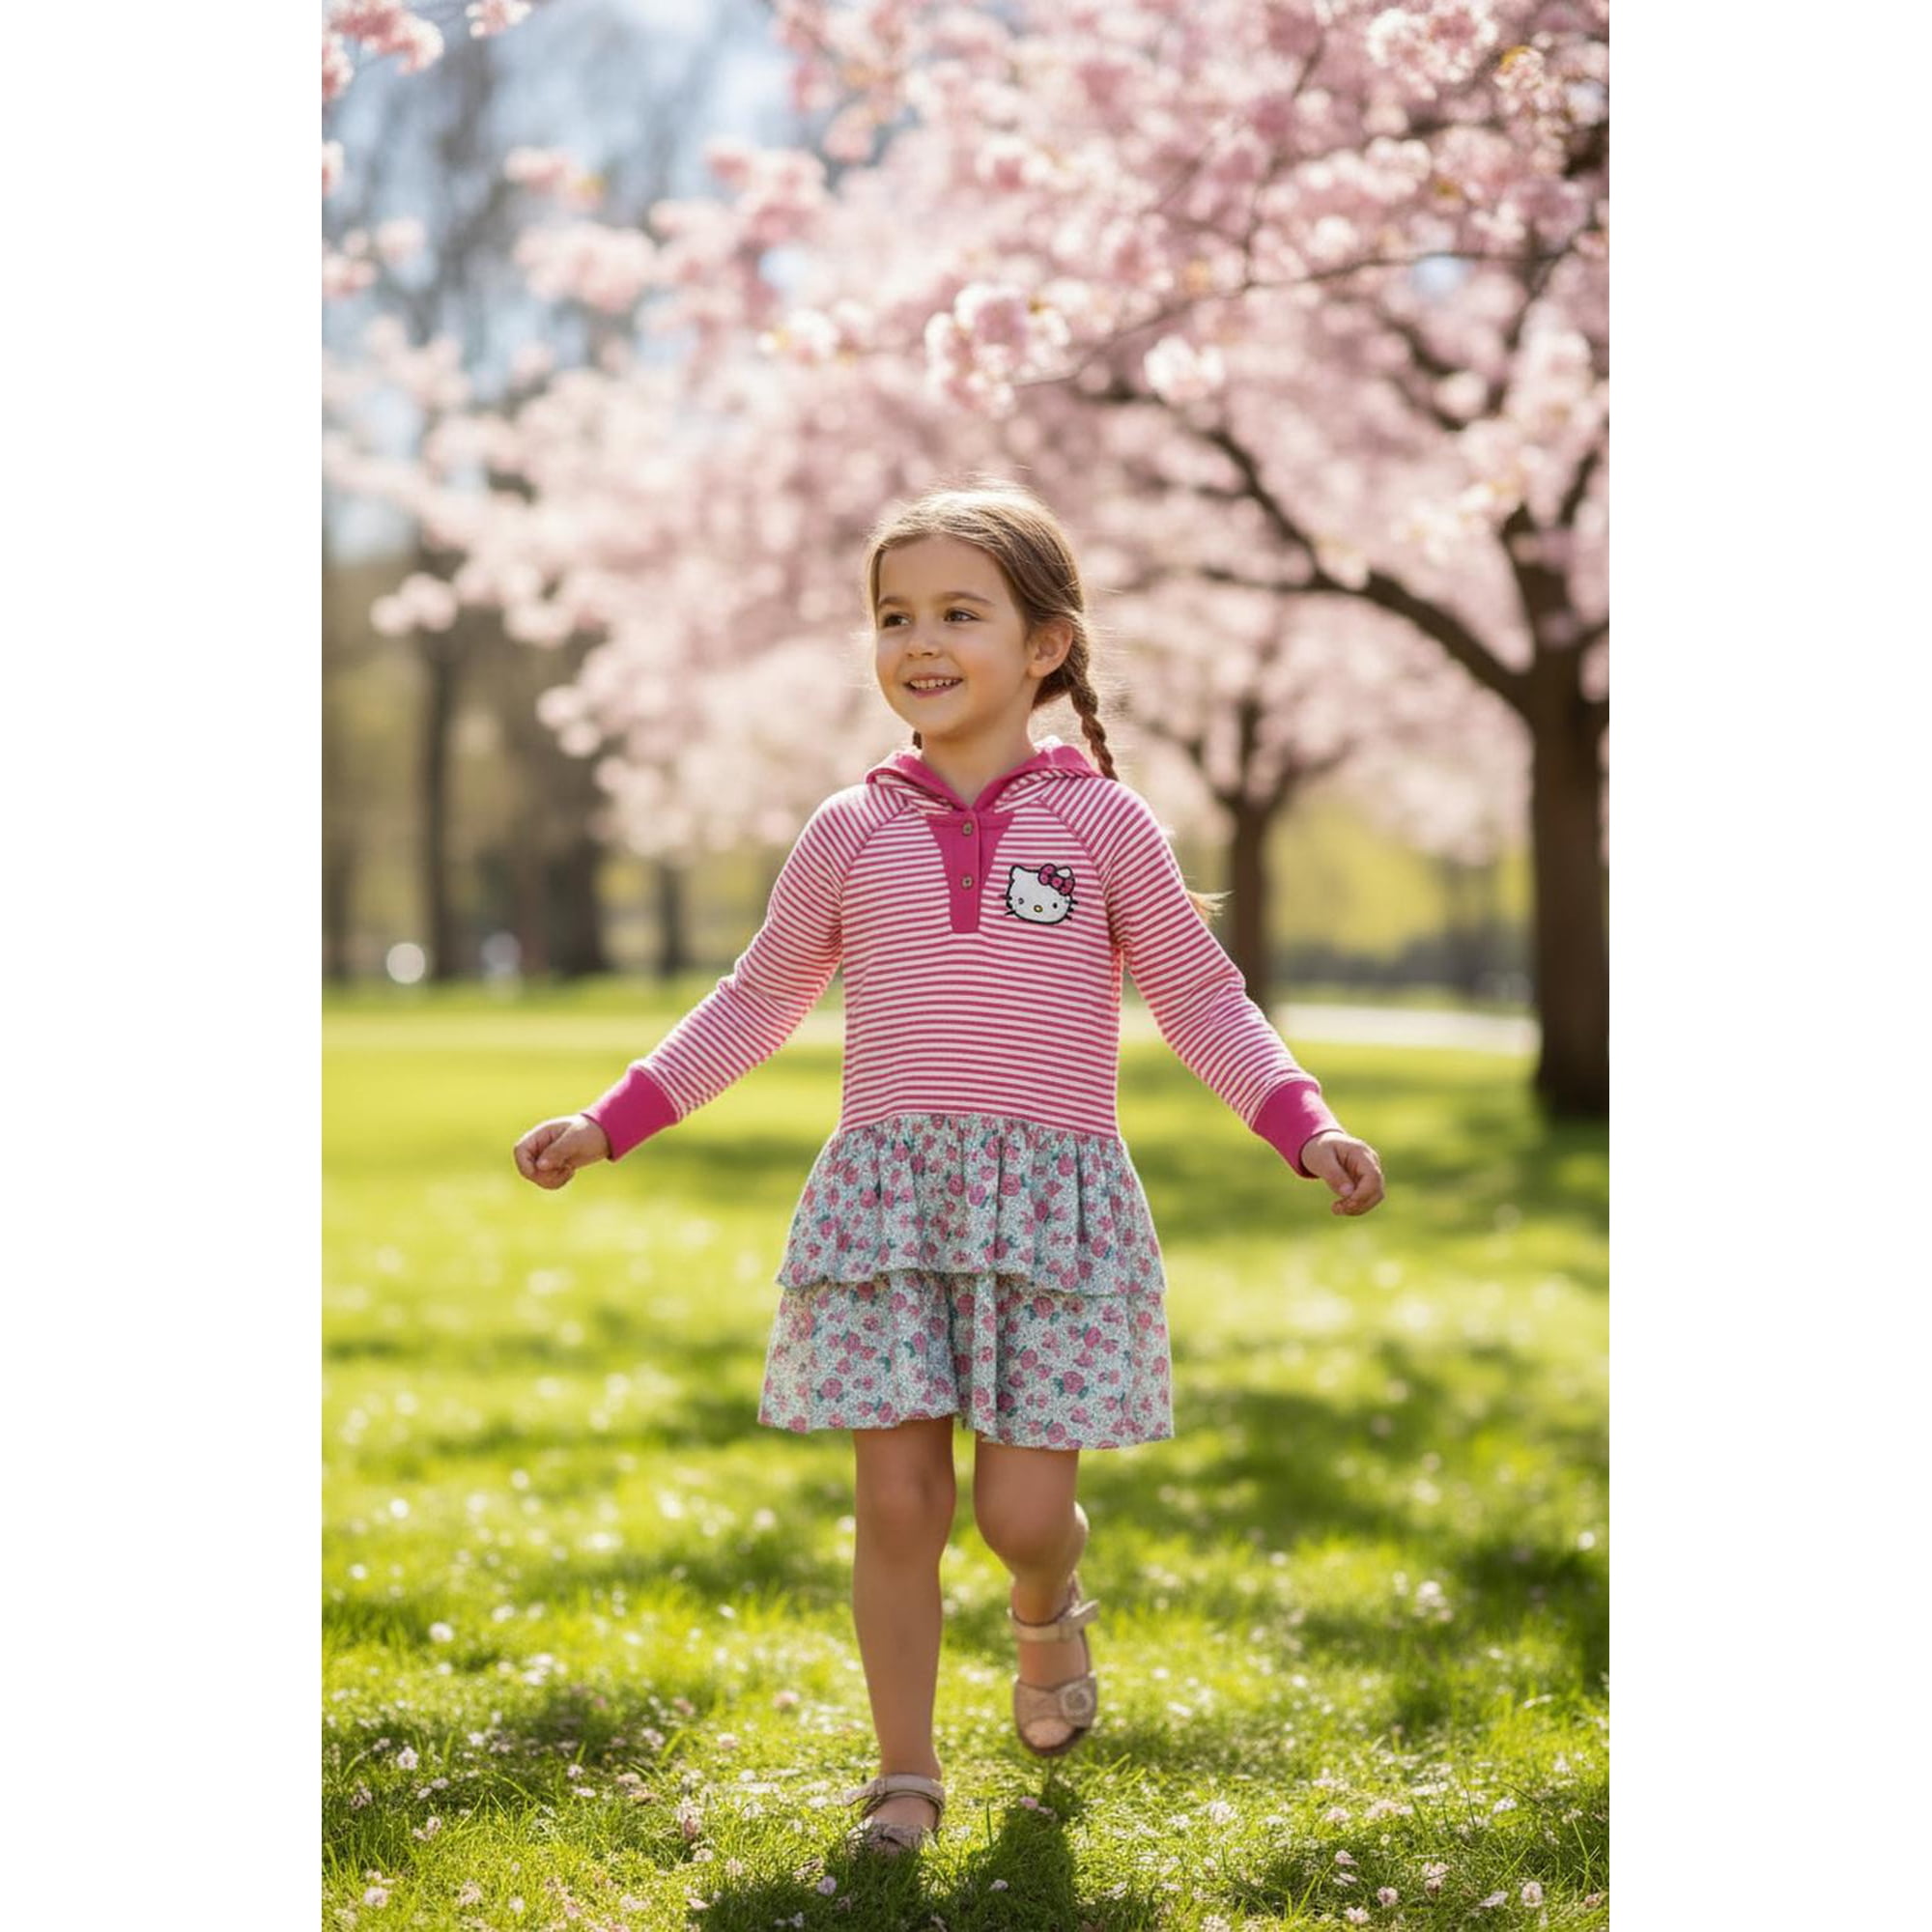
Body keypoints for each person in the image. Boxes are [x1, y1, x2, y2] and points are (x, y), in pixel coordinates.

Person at [512, 479, 1386, 1858]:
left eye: (959, 614)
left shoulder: (1106, 827)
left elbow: (1204, 998)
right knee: (897, 1500)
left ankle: (1048, 1609)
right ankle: (905, 1776)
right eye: (895, 615)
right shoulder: (849, 829)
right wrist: (610, 1117)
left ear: (1044, 646)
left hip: (1055, 1208)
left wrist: (1302, 1119)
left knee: (1021, 1512)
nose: (919, 641)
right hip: (885, 1208)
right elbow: (754, 1001)